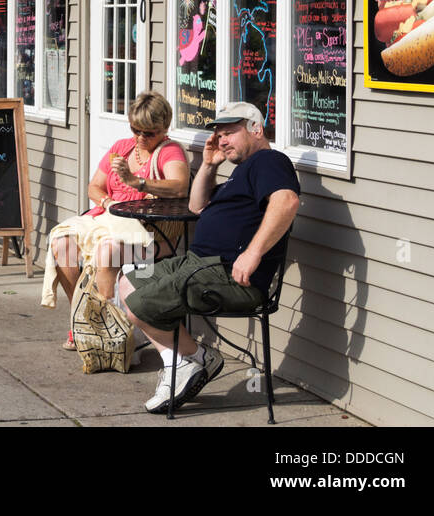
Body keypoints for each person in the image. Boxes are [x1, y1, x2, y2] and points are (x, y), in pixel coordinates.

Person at [118, 101, 300, 413]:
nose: (222, 139)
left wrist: (253, 254)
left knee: (141, 305)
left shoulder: (269, 161)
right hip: (197, 265)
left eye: (230, 132)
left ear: (256, 130)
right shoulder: (241, 172)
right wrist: (209, 163)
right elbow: (197, 206)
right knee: (127, 284)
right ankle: (189, 360)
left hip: (228, 275)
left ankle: (192, 362)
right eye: (219, 133)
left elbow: (287, 201)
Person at [42, 91, 190, 348]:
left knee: (107, 250)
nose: (141, 137)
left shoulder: (169, 151)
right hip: (108, 220)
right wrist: (108, 202)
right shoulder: (122, 147)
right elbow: (94, 187)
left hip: (150, 234)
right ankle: (83, 321)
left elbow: (179, 187)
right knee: (61, 242)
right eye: (136, 129)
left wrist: (137, 182)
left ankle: (110, 333)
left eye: (149, 132)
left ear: (164, 128)